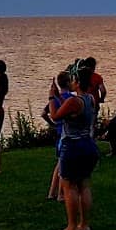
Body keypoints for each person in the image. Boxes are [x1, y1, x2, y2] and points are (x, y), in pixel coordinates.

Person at [48, 75, 98, 230]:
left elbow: (56, 117)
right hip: (88, 144)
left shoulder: (74, 101)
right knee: (84, 184)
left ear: (77, 83)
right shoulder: (89, 99)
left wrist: (51, 98)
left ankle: (71, 226)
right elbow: (71, 111)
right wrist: (58, 97)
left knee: (69, 186)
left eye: (74, 80)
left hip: (72, 146)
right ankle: (84, 224)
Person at [43, 72, 71, 202]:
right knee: (63, 165)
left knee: (59, 163)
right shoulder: (70, 99)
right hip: (67, 134)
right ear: (69, 82)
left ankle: (51, 192)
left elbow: (44, 113)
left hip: (59, 132)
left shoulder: (54, 100)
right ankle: (60, 194)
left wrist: (53, 125)